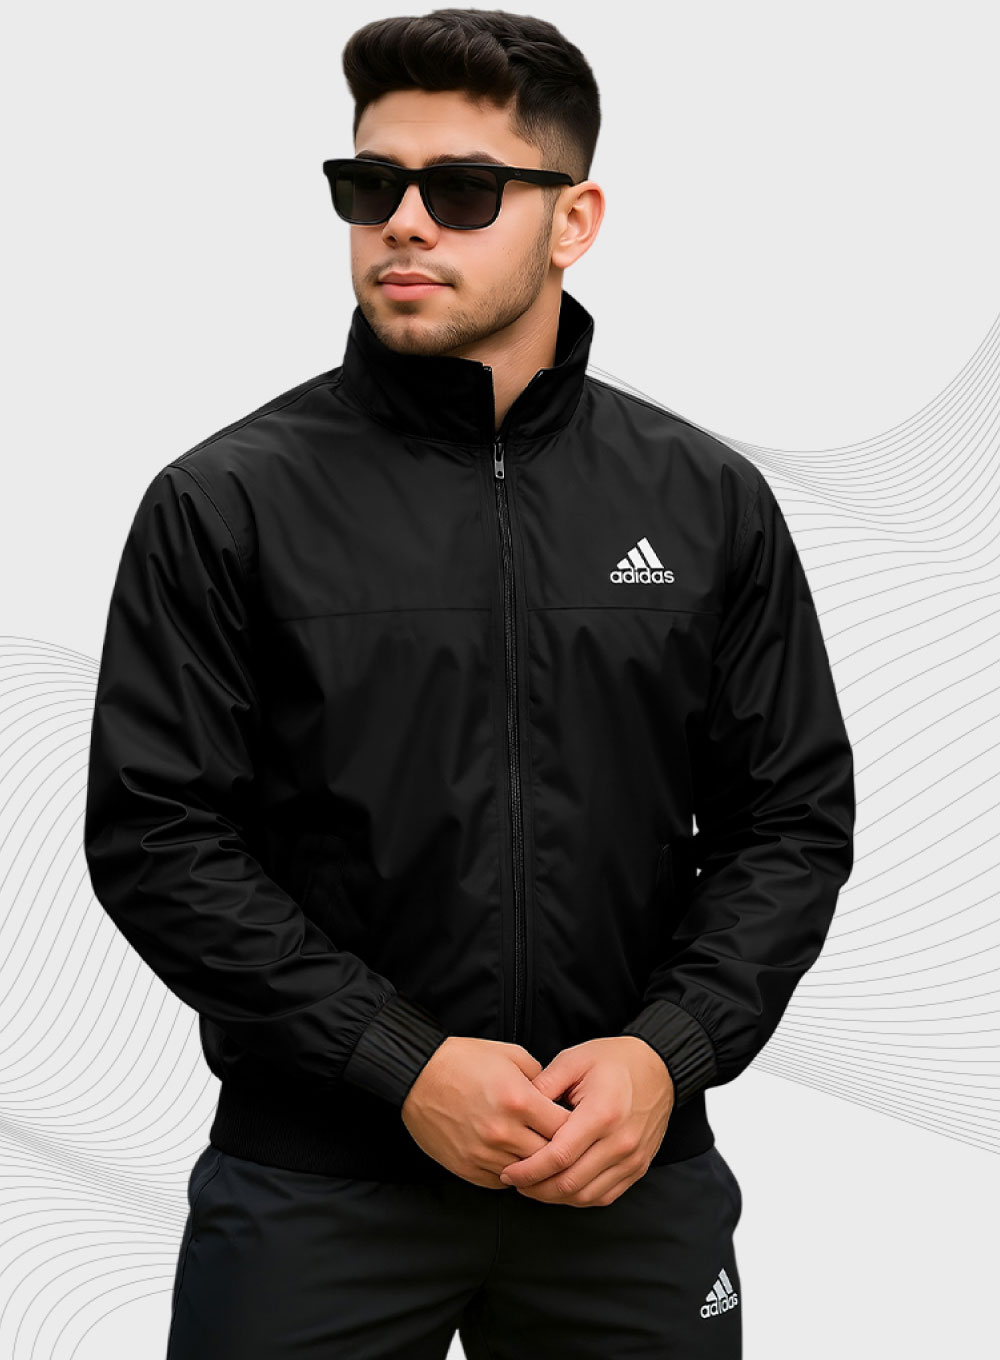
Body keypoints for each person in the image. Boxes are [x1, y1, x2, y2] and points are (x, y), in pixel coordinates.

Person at [83, 8, 855, 1358]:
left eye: (463, 190)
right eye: (370, 184)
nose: (404, 223)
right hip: (317, 1189)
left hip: (624, 1181)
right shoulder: (226, 504)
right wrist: (401, 1064)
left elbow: (788, 820)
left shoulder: (706, 501)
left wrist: (666, 1051)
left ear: (573, 220)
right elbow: (159, 836)